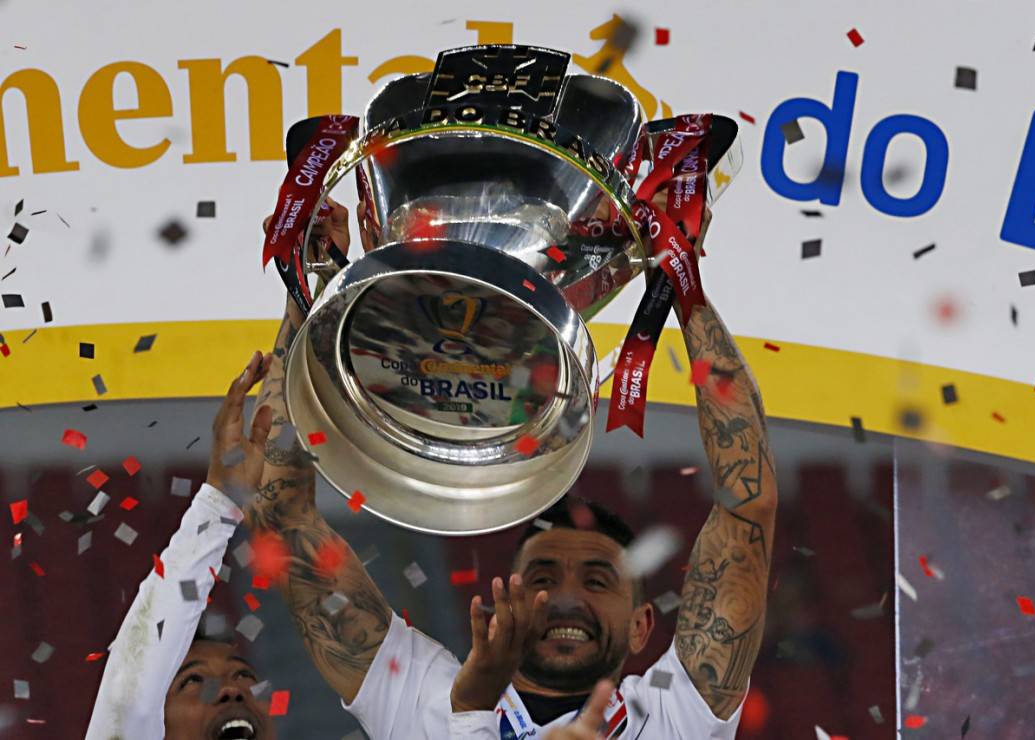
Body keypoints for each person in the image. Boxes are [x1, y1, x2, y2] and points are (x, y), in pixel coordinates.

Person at [246, 193, 778, 738]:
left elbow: (748, 504)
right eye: (543, 577)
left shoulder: (671, 718)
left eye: (598, 581)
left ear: (642, 626)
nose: (567, 597)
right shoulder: (422, 700)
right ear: (505, 603)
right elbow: (283, 521)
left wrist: (681, 282)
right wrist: (309, 292)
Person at [86, 351, 279, 740]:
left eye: (244, 675)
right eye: (191, 682)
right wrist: (220, 502)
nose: (232, 691)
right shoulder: (133, 712)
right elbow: (131, 696)